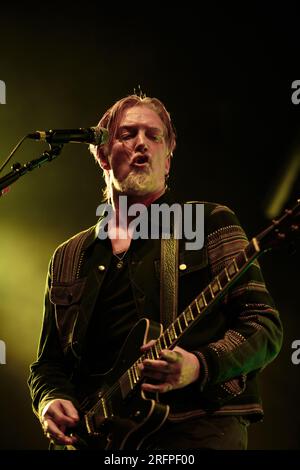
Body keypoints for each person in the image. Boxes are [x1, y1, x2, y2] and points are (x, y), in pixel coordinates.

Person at [28, 94, 283, 450]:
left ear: (167, 160)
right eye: (128, 134)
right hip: (102, 440)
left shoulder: (209, 224)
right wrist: (49, 401)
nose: (141, 145)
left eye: (154, 136)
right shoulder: (69, 257)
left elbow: (263, 326)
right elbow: (48, 365)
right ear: (102, 154)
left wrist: (198, 365)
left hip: (195, 428)